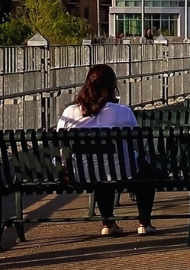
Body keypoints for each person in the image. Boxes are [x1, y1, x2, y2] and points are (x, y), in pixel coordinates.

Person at [57, 65, 156, 236]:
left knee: (99, 171)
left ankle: (108, 223)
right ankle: (144, 223)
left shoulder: (70, 112)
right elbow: (137, 142)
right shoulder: (122, 112)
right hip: (122, 171)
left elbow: (60, 144)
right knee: (141, 170)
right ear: (112, 86)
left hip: (81, 173)